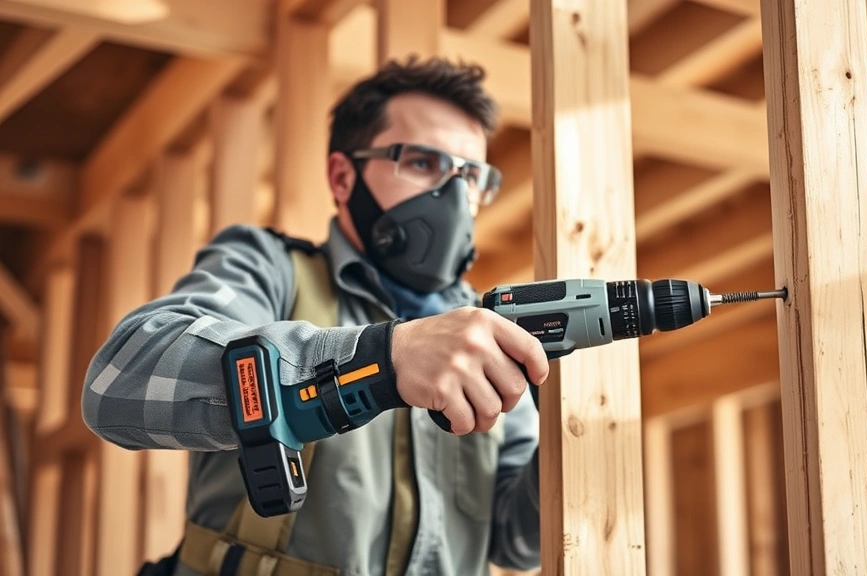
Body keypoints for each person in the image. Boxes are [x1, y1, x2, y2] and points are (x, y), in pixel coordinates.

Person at [82, 56, 550, 576]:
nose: (455, 198)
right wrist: (381, 360)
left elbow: (515, 542)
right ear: (343, 177)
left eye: (471, 177)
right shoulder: (269, 268)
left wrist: (563, 428)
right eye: (423, 163)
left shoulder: (489, 335)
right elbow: (118, 383)